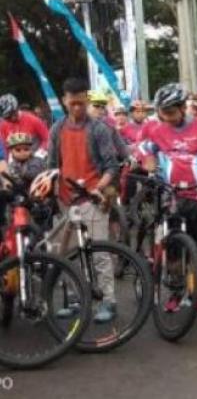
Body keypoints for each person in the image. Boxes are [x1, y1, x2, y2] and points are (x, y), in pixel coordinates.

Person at [141, 83, 197, 313]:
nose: (166, 118)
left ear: (183, 107)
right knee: (173, 249)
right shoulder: (156, 128)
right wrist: (151, 172)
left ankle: (194, 291)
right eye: (162, 113)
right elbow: (145, 150)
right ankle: (176, 292)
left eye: (170, 112)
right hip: (172, 196)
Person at [44, 77, 120, 324]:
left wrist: (98, 188)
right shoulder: (57, 128)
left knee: (99, 252)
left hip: (92, 198)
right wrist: (49, 186)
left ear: (86, 99)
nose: (77, 107)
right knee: (66, 254)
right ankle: (77, 300)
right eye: (72, 103)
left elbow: (111, 166)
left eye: (81, 102)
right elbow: (52, 165)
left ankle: (108, 301)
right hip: (65, 199)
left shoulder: (99, 128)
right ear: (65, 100)